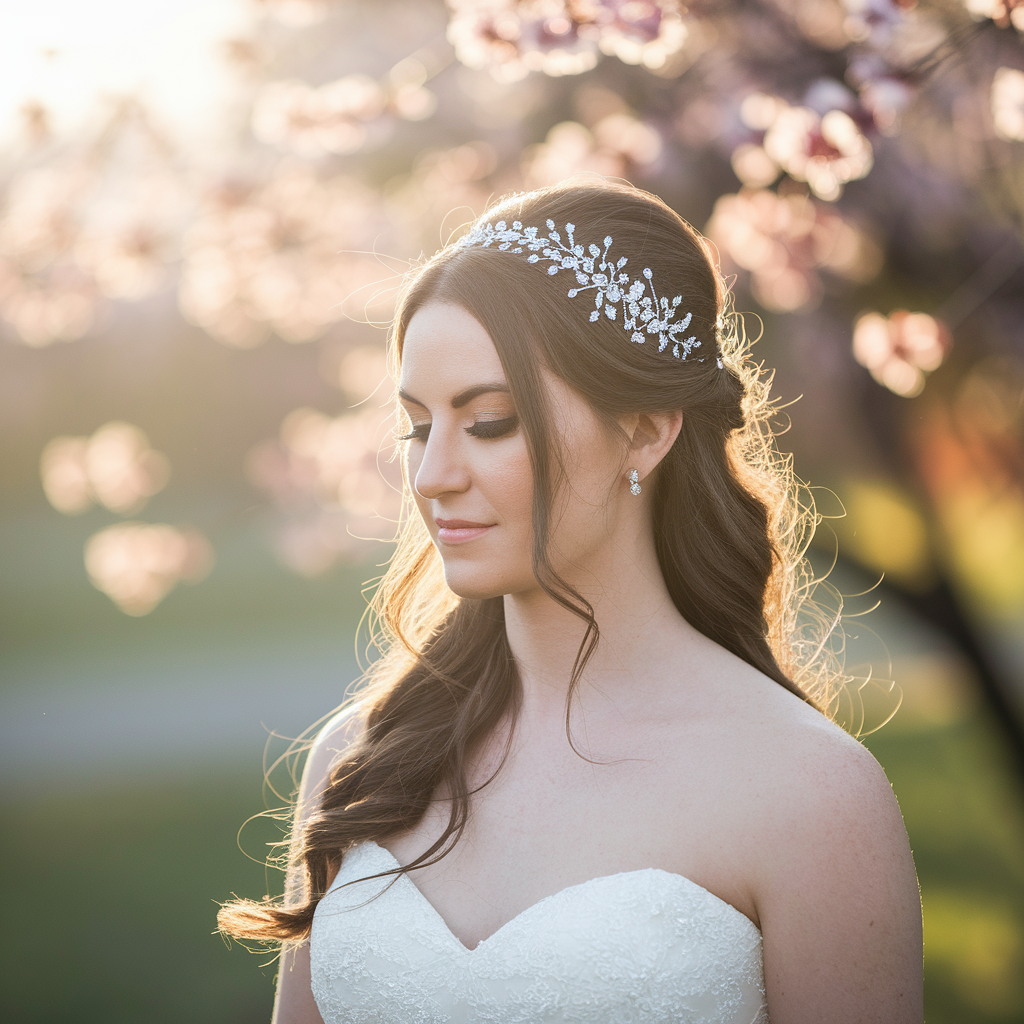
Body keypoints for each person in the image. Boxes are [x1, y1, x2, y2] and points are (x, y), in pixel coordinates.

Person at [218, 180, 924, 1023]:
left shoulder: (811, 791)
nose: (434, 474)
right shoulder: (359, 764)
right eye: (417, 426)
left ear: (646, 430)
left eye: (489, 422)